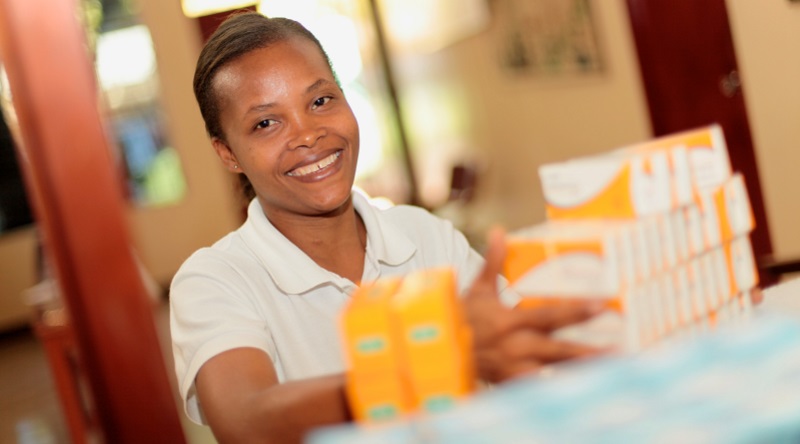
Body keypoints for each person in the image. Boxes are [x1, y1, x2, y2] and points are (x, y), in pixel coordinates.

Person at [170, 11, 604, 444]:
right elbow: (246, 421)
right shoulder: (214, 280)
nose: (308, 135)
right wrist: (435, 359)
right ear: (227, 153)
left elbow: (521, 353)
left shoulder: (420, 234)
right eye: (266, 123)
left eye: (321, 101)